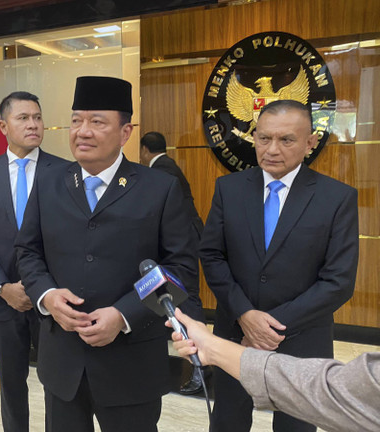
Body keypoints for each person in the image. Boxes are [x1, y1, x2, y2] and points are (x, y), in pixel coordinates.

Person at [15, 76, 200, 432]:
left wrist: (123, 313)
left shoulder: (159, 189)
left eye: (97, 122)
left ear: (125, 132)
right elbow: (28, 251)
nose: (82, 131)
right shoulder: (49, 182)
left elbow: (180, 268)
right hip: (62, 364)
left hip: (131, 363)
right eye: (76, 120)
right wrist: (47, 296)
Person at [200, 99, 359, 432]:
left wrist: (271, 327)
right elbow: (212, 256)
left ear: (309, 143)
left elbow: (338, 281)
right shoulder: (229, 189)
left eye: (286, 140)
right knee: (228, 422)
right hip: (236, 335)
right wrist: (244, 314)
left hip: (302, 341)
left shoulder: (336, 198)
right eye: (263, 138)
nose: (271, 149)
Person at [0, 91, 65, 432]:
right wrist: (3, 288)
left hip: (52, 298)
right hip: (5, 299)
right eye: (24, 118)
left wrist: (45, 290)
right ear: (3, 125)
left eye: (37, 117)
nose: (34, 124)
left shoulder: (65, 172)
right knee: (11, 384)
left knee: (57, 385)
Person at [168, 308, 380, 432]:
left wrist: (264, 329)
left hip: (305, 334)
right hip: (235, 327)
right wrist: (243, 317)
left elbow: (335, 394)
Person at [140, 130, 207, 395]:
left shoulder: (162, 171)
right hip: (185, 239)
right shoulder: (168, 166)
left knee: (187, 300)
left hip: (182, 245)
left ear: (145, 150)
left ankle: (199, 367)